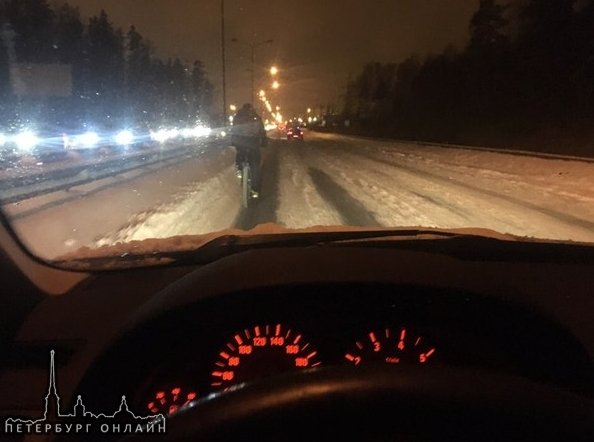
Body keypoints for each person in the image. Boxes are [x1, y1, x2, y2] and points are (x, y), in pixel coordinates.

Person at [230, 103, 267, 198]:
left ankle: (239, 168)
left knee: (240, 152)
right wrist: (264, 142)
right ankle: (255, 190)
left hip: (241, 142)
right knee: (255, 166)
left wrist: (233, 141)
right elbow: (262, 131)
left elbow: (233, 130)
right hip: (253, 143)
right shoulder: (256, 117)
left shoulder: (237, 116)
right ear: (251, 109)